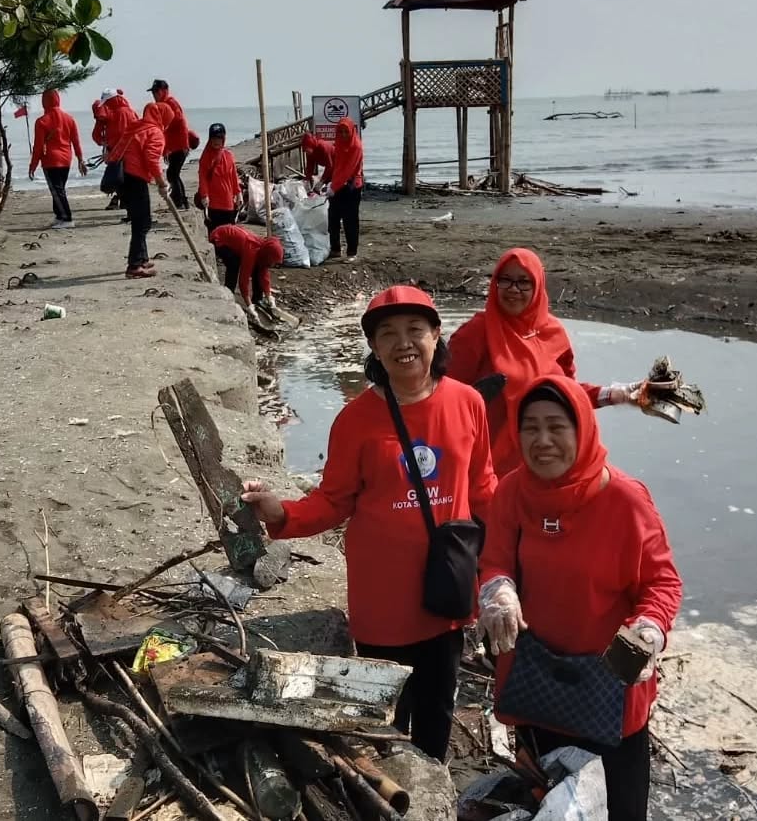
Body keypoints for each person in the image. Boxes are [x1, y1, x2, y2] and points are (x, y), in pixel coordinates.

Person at [241, 286, 497, 761]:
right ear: (375, 348)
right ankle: (389, 785)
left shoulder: (468, 403)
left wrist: (508, 564)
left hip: (448, 585)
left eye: (415, 330)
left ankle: (432, 787)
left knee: (439, 705)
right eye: (388, 334)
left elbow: (484, 489)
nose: (404, 343)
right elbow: (332, 501)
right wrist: (282, 514)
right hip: (384, 596)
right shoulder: (356, 420)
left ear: (436, 335)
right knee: (386, 712)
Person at [478, 375, 682, 821]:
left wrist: (649, 630)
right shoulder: (511, 491)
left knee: (619, 810)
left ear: (584, 429)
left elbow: (663, 583)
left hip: (609, 693)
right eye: (530, 427)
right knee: (547, 804)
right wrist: (499, 592)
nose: (542, 440)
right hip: (537, 686)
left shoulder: (626, 500)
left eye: (556, 427)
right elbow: (494, 562)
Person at [448, 248, 659, 478]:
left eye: (523, 282)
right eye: (505, 280)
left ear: (538, 286)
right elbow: (444, 400)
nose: (513, 289)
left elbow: (566, 395)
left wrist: (616, 394)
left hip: (547, 459)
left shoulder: (553, 332)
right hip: (489, 471)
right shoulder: (475, 334)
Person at [107, 102, 172, 279]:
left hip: (122, 180)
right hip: (135, 179)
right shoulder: (155, 132)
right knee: (142, 223)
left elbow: (117, 149)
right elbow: (152, 160)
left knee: (139, 220)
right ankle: (134, 266)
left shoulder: (136, 126)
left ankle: (142, 258)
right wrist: (161, 183)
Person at [28, 89, 87, 229]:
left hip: (50, 160)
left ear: (44, 101)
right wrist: (80, 159)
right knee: (59, 189)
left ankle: (67, 218)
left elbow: (38, 147)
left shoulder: (42, 121)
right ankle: (59, 216)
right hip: (66, 158)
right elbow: (76, 142)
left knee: (57, 190)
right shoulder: (69, 119)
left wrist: (33, 166)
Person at [208, 224, 283, 325]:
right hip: (219, 237)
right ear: (267, 256)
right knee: (234, 264)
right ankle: (228, 295)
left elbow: (264, 272)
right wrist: (249, 305)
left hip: (234, 238)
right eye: (272, 262)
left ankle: (258, 301)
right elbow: (243, 280)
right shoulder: (251, 250)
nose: (273, 265)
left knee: (258, 268)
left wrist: (269, 296)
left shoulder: (262, 250)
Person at [325, 117, 363, 262]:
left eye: (346, 132)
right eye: (340, 131)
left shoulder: (356, 146)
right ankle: (335, 249)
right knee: (333, 217)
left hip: (351, 186)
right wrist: (330, 183)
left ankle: (352, 252)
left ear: (351, 131)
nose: (343, 135)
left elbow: (348, 170)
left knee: (350, 220)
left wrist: (334, 187)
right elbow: (336, 167)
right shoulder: (339, 144)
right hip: (337, 184)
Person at [149, 79, 190, 209]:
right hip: (173, 146)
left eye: (157, 91)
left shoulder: (170, 103)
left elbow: (179, 121)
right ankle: (182, 201)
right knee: (173, 173)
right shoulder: (163, 105)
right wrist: (166, 149)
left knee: (172, 174)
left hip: (179, 145)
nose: (154, 95)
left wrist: (183, 144)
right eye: (153, 92)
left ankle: (179, 202)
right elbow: (165, 130)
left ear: (164, 91)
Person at [99, 87, 139, 215]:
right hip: (131, 153)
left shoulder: (117, 114)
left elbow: (117, 137)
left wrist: (110, 153)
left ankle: (130, 212)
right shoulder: (130, 112)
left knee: (121, 183)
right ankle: (130, 212)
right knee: (128, 182)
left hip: (120, 154)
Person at [198, 123, 241, 227]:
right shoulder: (205, 157)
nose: (216, 141)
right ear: (210, 139)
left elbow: (234, 176)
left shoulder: (228, 156)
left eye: (219, 138)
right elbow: (202, 178)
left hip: (228, 203)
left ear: (223, 139)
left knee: (229, 233)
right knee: (215, 234)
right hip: (213, 204)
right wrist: (204, 195)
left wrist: (238, 193)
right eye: (214, 138)